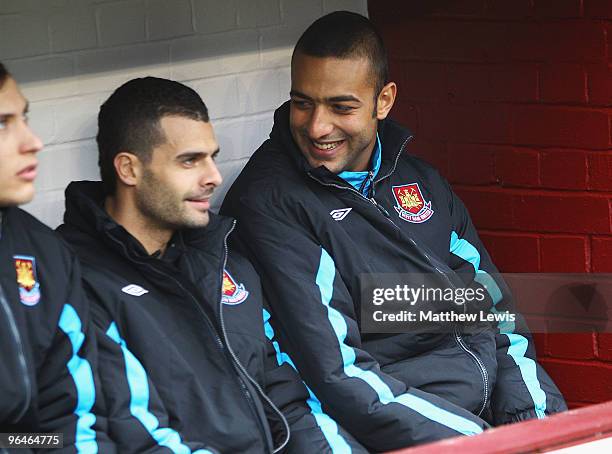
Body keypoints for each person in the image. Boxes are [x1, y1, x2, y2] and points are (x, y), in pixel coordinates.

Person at [221, 11, 567, 451]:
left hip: (478, 421)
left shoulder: (420, 180)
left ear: (384, 101)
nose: (316, 126)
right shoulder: (271, 203)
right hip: (400, 434)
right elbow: (340, 375)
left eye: (341, 106)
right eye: (303, 102)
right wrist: (481, 442)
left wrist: (535, 423)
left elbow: (493, 311)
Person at [57, 77, 366, 453]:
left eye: (212, 157)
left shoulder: (226, 262)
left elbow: (287, 403)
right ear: (128, 169)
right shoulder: (72, 280)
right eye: (190, 161)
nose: (213, 178)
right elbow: (132, 436)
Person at [0, 62, 113, 451]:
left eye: (23, 118)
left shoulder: (42, 254)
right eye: (2, 124)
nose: (32, 141)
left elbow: (65, 418)